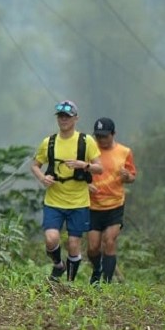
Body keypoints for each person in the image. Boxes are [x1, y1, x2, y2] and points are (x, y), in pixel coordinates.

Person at [30, 100, 102, 282]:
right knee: (51, 238)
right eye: (60, 116)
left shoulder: (86, 141)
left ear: (75, 118)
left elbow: (99, 168)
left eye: (67, 117)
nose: (64, 120)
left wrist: (83, 165)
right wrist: (42, 178)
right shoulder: (49, 142)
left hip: (78, 201)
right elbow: (35, 166)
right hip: (54, 200)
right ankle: (58, 265)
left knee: (73, 243)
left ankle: (69, 283)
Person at [87, 117, 136, 285]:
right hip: (93, 206)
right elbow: (80, 174)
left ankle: (107, 283)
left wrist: (127, 176)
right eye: (98, 136)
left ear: (113, 134)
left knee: (109, 240)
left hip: (115, 205)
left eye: (105, 136)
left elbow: (132, 176)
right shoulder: (89, 151)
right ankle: (97, 270)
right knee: (93, 248)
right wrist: (87, 185)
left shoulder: (124, 152)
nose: (101, 140)